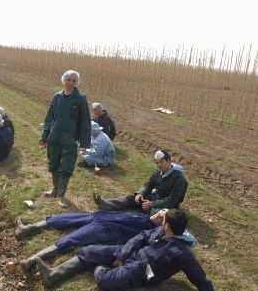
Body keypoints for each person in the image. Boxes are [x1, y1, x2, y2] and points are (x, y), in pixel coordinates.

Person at [36, 210, 214, 291]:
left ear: (167, 225)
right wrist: (121, 254)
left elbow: (200, 279)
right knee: (90, 251)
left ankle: (104, 267)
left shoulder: (182, 253)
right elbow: (140, 237)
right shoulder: (158, 230)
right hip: (130, 253)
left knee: (104, 279)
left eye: (163, 218)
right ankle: (53, 276)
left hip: (142, 272)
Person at [15, 209, 197, 273]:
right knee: (63, 219)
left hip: (103, 229)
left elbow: (188, 238)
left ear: (166, 224)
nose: (159, 214)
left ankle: (31, 261)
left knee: (69, 240)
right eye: (160, 211)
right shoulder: (144, 216)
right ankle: (27, 229)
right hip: (99, 216)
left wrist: (169, 223)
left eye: (163, 215)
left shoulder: (152, 231)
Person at [39, 70, 92, 207]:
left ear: (76, 83)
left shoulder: (80, 99)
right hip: (54, 136)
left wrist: (84, 141)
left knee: (66, 166)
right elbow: (49, 118)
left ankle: (61, 196)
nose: (70, 83)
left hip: (69, 138)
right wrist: (44, 136)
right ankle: (55, 190)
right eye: (68, 80)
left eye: (74, 81)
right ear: (64, 80)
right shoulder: (57, 96)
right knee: (53, 163)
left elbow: (85, 120)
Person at [94, 150, 188, 215]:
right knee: (133, 198)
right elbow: (148, 185)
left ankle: (146, 215)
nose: (159, 165)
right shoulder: (158, 172)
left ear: (169, 160)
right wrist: (140, 193)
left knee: (157, 214)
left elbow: (173, 200)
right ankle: (106, 204)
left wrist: (152, 204)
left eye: (161, 162)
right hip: (152, 199)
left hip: (166, 205)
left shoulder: (179, 179)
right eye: (157, 162)